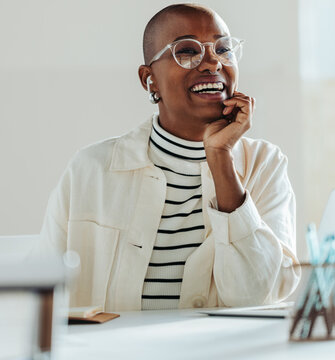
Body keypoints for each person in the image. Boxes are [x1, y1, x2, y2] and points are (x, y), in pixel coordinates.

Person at [38, 4, 299, 311]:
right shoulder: (90, 169)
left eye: (223, 49)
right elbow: (42, 294)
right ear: (150, 80)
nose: (212, 62)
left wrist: (220, 157)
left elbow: (256, 297)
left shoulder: (265, 165)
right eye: (187, 51)